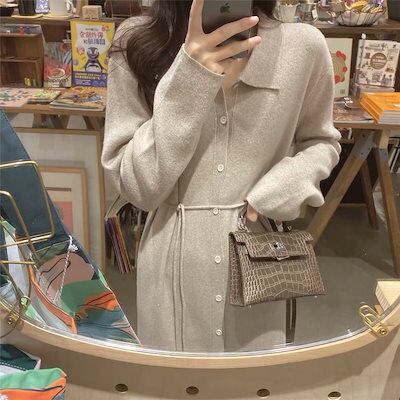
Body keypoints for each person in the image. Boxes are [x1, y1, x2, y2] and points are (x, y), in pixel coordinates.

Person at [101, 0, 341, 352]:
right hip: (170, 261)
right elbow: (138, 187)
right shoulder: (139, 42)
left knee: (251, 376)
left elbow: (322, 142)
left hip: (260, 259)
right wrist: (189, 77)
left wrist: (280, 188)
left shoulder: (302, 47)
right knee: (173, 377)